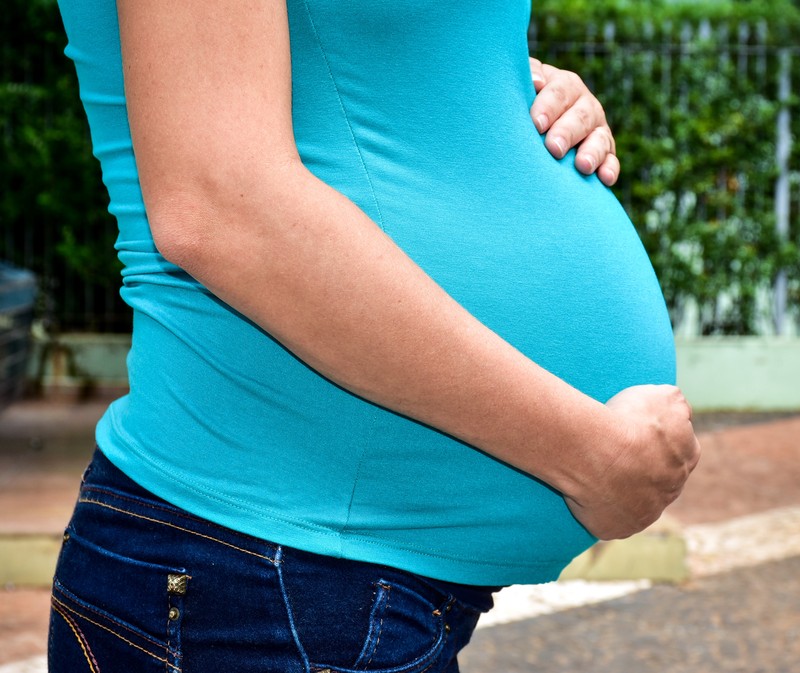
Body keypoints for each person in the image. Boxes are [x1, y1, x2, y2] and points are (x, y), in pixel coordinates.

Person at [49, 1, 702, 671]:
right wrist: (585, 453)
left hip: (314, 584)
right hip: (262, 574)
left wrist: (510, 98)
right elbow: (221, 205)